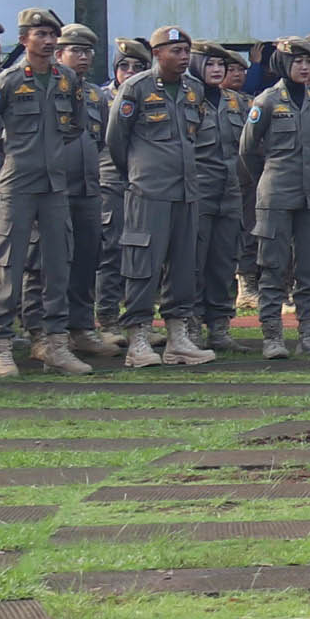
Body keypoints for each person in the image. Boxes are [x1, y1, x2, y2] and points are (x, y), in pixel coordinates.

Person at [0, 10, 94, 374]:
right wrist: (17, 151)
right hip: (17, 183)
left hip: (55, 185)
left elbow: (75, 124)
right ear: (25, 39)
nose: (48, 40)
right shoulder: (8, 81)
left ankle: (53, 342)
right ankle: (2, 345)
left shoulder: (66, 78)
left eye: (53, 34)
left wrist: (51, 152)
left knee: (57, 263)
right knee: (9, 265)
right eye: (40, 33)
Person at [101, 29, 213, 366]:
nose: (183, 57)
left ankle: (178, 338)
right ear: (156, 52)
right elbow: (116, 140)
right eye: (176, 50)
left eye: (187, 51)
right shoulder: (136, 88)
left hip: (185, 190)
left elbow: (195, 135)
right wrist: (137, 173)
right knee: (142, 265)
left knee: (182, 266)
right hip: (148, 191)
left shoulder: (194, 89)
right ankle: (138, 339)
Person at [238, 37, 310, 359]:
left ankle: (309, 335)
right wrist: (267, 181)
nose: (306, 67)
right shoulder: (266, 101)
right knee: (272, 267)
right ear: (283, 64)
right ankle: (272, 337)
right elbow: (248, 150)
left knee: (309, 268)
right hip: (275, 192)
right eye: (298, 62)